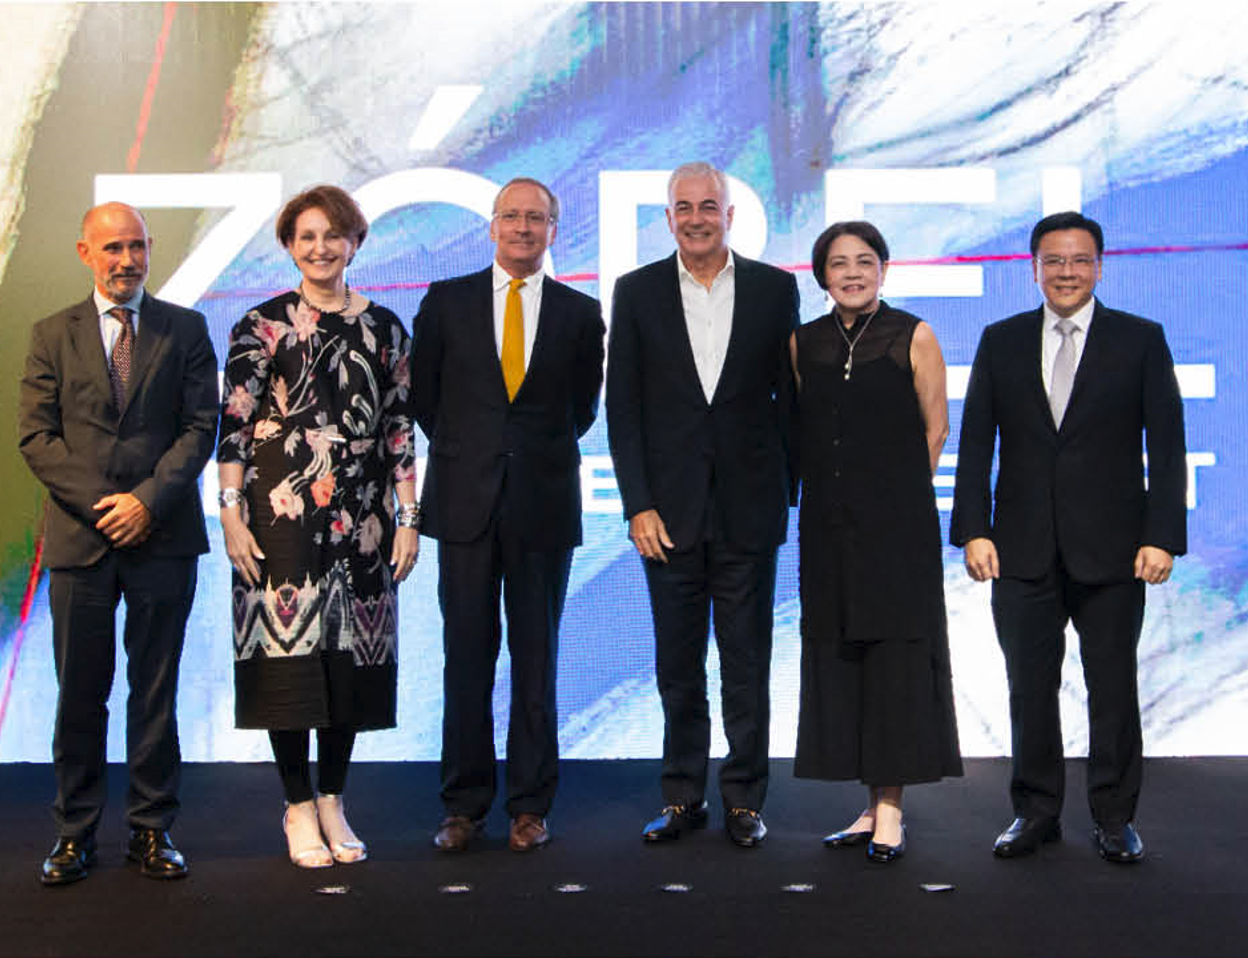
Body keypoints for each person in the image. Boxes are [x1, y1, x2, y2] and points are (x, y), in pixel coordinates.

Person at [950, 211, 1187, 864]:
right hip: (1019, 548)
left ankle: (1114, 818)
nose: (1065, 272)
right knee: (1028, 688)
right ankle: (1034, 813)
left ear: (1099, 266)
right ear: (1033, 268)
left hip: (1114, 550)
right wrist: (972, 530)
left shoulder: (1138, 340)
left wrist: (1161, 537)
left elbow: (1166, 447)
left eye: (1078, 260)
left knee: (1112, 686)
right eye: (1052, 261)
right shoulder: (1000, 341)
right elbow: (975, 446)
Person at [217, 185, 418, 869]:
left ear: (355, 242)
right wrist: (231, 514)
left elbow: (398, 429)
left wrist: (407, 519)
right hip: (281, 516)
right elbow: (235, 425)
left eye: (333, 234)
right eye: (306, 236)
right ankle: (296, 804)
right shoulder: (260, 325)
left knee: (350, 665)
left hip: (363, 519)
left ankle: (333, 798)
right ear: (288, 246)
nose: (320, 247)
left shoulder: (386, 327)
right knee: (287, 662)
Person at [19, 202, 219, 885]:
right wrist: (106, 506)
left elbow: (199, 429)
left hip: (162, 538)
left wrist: (146, 502)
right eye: (111, 248)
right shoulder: (52, 334)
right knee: (80, 694)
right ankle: (73, 835)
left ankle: (152, 830)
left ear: (149, 249)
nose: (125, 260)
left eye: (135, 246)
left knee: (154, 692)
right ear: (85, 253)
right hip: (82, 541)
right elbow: (36, 437)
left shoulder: (186, 329)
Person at [607, 162, 799, 847]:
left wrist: (787, 494)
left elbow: (789, 403)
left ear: (729, 215)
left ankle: (745, 799)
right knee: (676, 666)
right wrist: (638, 505)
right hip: (668, 518)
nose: (695, 218)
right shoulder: (635, 293)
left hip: (749, 512)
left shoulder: (776, 291)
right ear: (667, 218)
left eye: (707, 207)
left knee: (746, 664)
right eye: (682, 207)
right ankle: (683, 796)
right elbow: (622, 408)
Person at [411, 177, 605, 853]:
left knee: (537, 660)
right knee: (464, 657)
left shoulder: (581, 314)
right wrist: (475, 455)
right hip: (464, 505)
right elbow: (426, 402)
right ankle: (462, 806)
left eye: (537, 219)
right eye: (512, 217)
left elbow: (580, 409)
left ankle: (529, 805)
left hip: (542, 509)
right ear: (491, 227)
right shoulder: (445, 302)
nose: (523, 228)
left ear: (554, 230)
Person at [791, 222, 964, 863]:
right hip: (828, 530)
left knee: (894, 659)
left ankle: (891, 808)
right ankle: (868, 805)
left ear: (885, 270)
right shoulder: (802, 342)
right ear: (822, 276)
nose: (853, 273)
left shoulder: (912, 334)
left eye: (865, 262)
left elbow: (936, 429)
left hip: (896, 530)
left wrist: (892, 502)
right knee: (845, 659)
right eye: (839, 264)